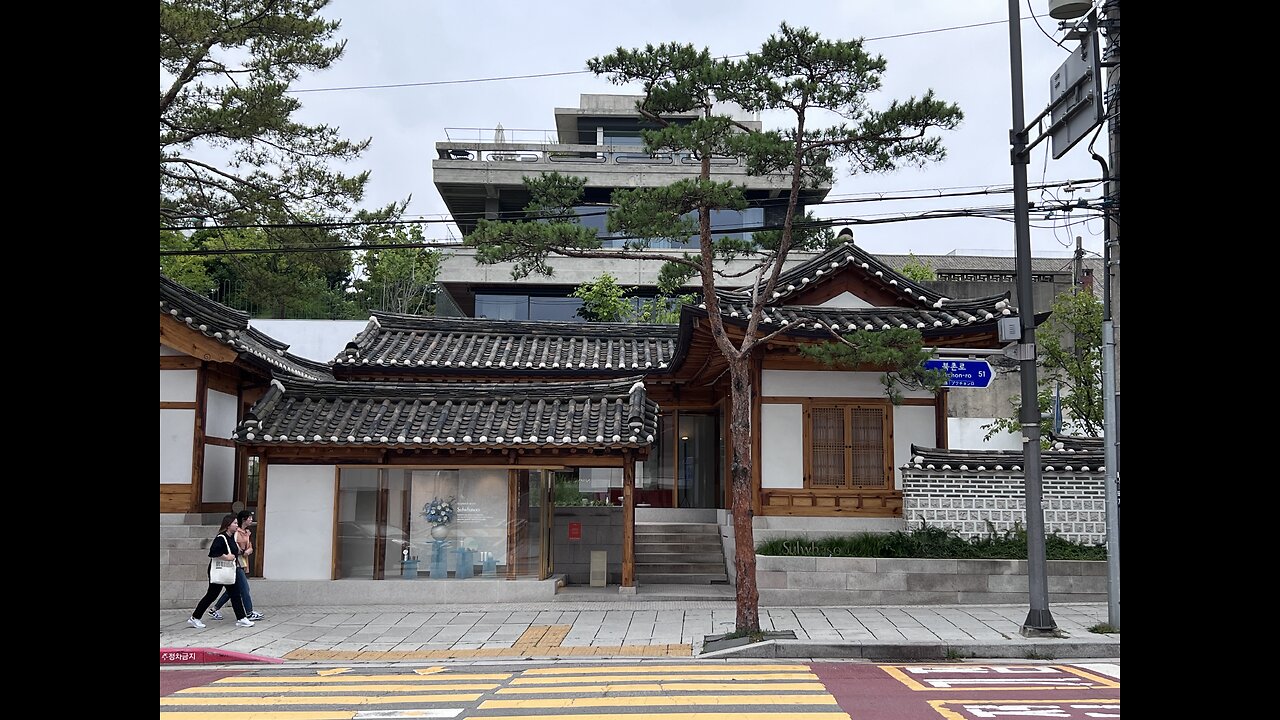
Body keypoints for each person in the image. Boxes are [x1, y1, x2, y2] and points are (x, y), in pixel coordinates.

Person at [187, 514, 253, 628]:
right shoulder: (221, 538)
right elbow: (213, 552)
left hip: (228, 571)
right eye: (235, 523)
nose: (237, 525)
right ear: (228, 525)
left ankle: (241, 618)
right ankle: (195, 617)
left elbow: (237, 550)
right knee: (212, 595)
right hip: (219, 570)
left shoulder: (231, 537)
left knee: (235, 594)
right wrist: (227, 557)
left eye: (237, 523)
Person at [208, 510, 264, 621]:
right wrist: (240, 552)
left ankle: (214, 609)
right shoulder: (234, 533)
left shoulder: (247, 532)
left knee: (234, 590)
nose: (252, 520)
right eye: (250, 518)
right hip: (235, 564)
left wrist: (249, 550)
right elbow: (231, 547)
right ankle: (248, 612)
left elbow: (250, 546)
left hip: (241, 562)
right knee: (244, 588)